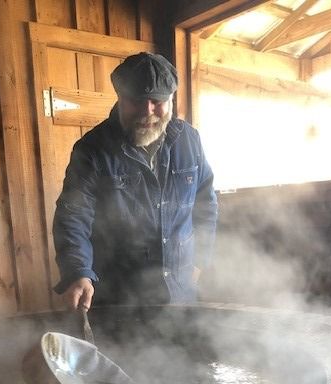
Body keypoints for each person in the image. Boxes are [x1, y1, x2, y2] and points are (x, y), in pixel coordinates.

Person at [52, 52, 218, 310]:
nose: (147, 111)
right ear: (120, 98)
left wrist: (199, 261)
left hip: (181, 291)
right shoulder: (92, 149)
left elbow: (205, 203)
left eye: (157, 101)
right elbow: (73, 216)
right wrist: (78, 272)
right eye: (136, 101)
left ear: (171, 99)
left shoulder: (189, 140)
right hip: (120, 296)